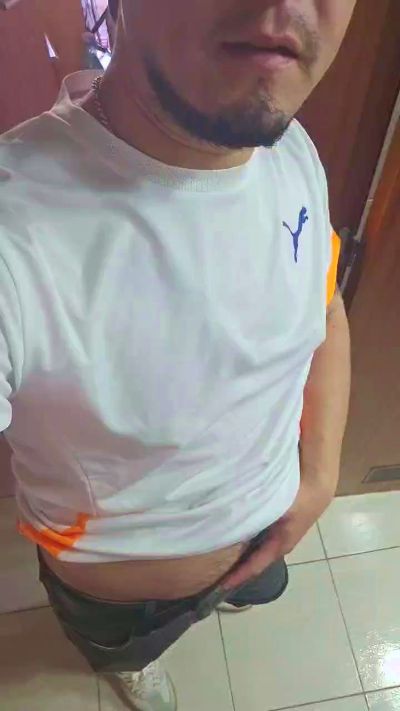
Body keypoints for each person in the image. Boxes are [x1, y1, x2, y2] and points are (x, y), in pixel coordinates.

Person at [0, 1, 354, 709]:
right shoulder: (18, 225)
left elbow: (324, 307)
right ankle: (128, 662)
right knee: (122, 646)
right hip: (120, 599)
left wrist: (318, 477)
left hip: (272, 521)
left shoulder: (290, 147)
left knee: (258, 589)